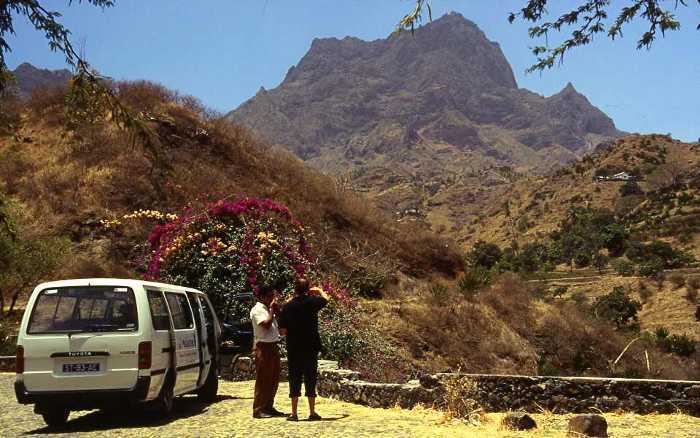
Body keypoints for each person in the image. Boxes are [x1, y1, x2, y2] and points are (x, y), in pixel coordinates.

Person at [278, 278, 329, 421]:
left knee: (294, 378)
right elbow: (326, 299)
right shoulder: (312, 302)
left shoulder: (287, 307)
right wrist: (319, 290)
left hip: (294, 347)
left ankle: (294, 413)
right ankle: (312, 412)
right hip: (310, 347)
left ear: (295, 289)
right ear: (308, 289)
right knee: (310, 378)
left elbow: (282, 331)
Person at [249, 285, 285, 419]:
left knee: (273, 378)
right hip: (263, 347)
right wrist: (271, 310)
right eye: (270, 296)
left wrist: (276, 310)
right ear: (262, 297)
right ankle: (258, 409)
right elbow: (265, 324)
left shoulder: (268, 309)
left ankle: (269, 406)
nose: (272, 299)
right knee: (263, 379)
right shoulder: (258, 310)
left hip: (273, 346)